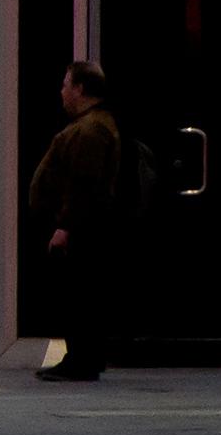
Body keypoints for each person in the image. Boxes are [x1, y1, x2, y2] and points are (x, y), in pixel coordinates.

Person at [26, 59, 138, 382]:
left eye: (65, 84)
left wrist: (64, 227)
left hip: (83, 229)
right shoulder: (94, 125)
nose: (61, 91)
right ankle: (86, 357)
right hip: (83, 225)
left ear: (80, 88)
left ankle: (81, 360)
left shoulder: (90, 130)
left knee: (79, 296)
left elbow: (83, 184)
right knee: (82, 294)